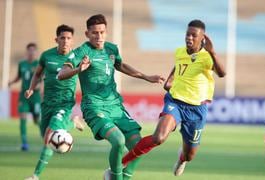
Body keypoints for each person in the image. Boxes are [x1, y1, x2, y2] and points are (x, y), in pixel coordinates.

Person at [57, 14, 165, 180]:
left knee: (139, 145)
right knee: (118, 141)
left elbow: (120, 65)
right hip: (94, 106)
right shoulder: (82, 51)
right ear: (87, 34)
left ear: (106, 32)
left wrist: (146, 76)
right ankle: (117, 177)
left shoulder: (111, 49)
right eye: (94, 33)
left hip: (115, 105)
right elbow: (62, 74)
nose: (99, 36)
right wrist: (79, 69)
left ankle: (119, 176)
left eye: (102, 32)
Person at [121, 19, 226, 176]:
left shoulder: (207, 57)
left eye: (193, 35)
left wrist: (213, 52)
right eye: (187, 34)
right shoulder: (179, 52)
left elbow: (222, 73)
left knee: (190, 154)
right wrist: (170, 80)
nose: (189, 38)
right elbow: (179, 65)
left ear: (202, 38)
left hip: (196, 109)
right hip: (175, 101)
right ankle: (122, 162)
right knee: (159, 137)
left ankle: (182, 159)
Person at [24, 24, 84, 180]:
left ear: (72, 41)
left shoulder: (76, 58)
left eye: (69, 38)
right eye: (62, 38)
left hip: (64, 103)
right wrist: (31, 88)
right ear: (56, 39)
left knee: (50, 137)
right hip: (47, 103)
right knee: (45, 136)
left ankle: (35, 175)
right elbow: (37, 74)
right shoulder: (47, 56)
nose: (65, 41)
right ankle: (73, 123)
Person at [8, 43, 41, 151]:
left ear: (36, 52)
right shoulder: (22, 64)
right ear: (27, 52)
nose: (31, 52)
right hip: (24, 96)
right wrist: (12, 82)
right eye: (29, 50)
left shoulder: (39, 64)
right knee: (23, 118)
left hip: (35, 96)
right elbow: (19, 76)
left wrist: (40, 88)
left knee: (37, 120)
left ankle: (46, 139)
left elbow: (43, 79)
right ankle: (24, 143)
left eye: (33, 50)